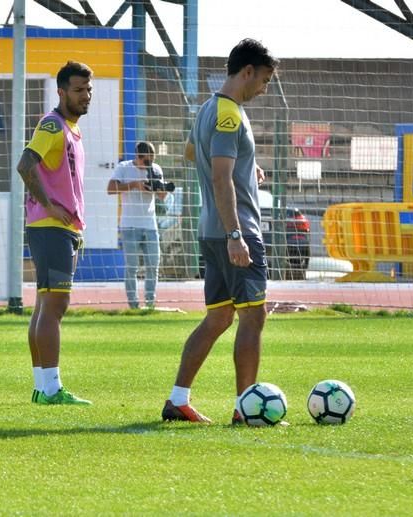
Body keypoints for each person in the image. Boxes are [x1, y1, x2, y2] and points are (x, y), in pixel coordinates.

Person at [161, 38, 279, 424]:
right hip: (236, 230)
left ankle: (178, 400)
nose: (264, 88)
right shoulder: (229, 113)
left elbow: (192, 153)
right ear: (247, 71)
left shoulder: (207, 108)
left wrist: (248, 167)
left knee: (218, 318)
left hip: (210, 230)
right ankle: (246, 408)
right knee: (253, 317)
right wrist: (236, 235)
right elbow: (220, 176)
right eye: (264, 79)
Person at [16, 61, 93, 405]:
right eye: (78, 90)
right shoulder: (53, 125)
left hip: (59, 230)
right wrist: (48, 205)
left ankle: (41, 386)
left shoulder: (72, 129)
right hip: (51, 229)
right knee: (55, 305)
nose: (85, 96)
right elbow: (25, 164)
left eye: (88, 90)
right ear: (61, 92)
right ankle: (51, 388)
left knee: (45, 305)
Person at [107, 141, 169, 309]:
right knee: (132, 267)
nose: (147, 164)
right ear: (138, 156)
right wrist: (134, 185)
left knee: (153, 265)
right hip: (129, 225)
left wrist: (156, 188)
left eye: (151, 159)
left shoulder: (155, 169)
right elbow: (111, 189)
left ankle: (150, 304)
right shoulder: (124, 167)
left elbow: (163, 196)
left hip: (150, 224)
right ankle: (133, 305)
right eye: (145, 160)